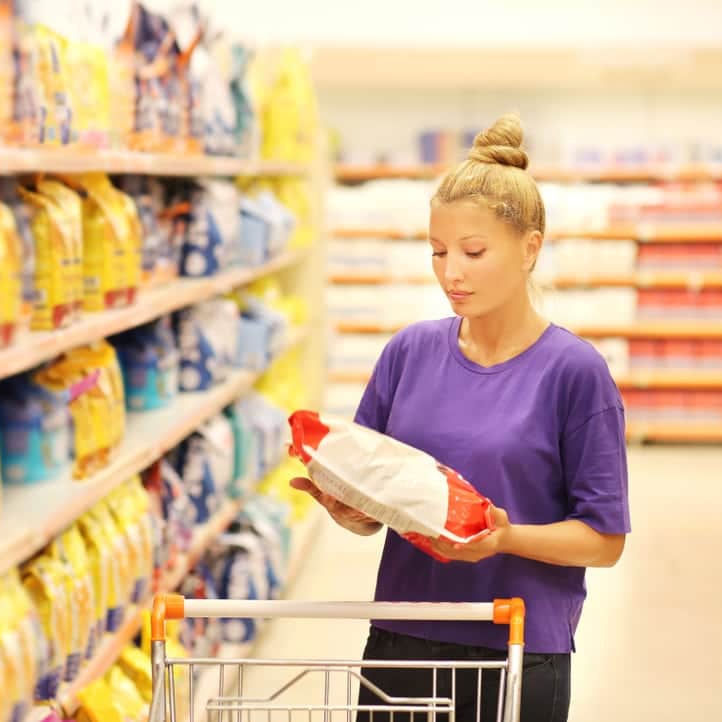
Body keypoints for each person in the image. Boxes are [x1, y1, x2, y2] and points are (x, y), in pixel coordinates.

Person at [291, 112, 630, 722]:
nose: (452, 272)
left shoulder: (575, 372)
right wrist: (352, 509)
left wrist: (503, 539)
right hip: (402, 640)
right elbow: (383, 502)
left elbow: (604, 542)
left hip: (517, 648)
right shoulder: (408, 354)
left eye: (473, 252)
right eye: (439, 252)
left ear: (530, 248)